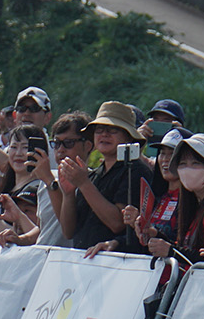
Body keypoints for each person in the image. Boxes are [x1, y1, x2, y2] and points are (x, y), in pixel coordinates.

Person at [60, 101, 156, 251]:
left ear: (129, 136)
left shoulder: (136, 170)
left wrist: (84, 184)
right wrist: (68, 194)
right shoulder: (93, 175)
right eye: (99, 130)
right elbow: (68, 232)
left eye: (113, 130)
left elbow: (117, 223)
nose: (104, 134)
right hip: (84, 260)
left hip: (116, 265)